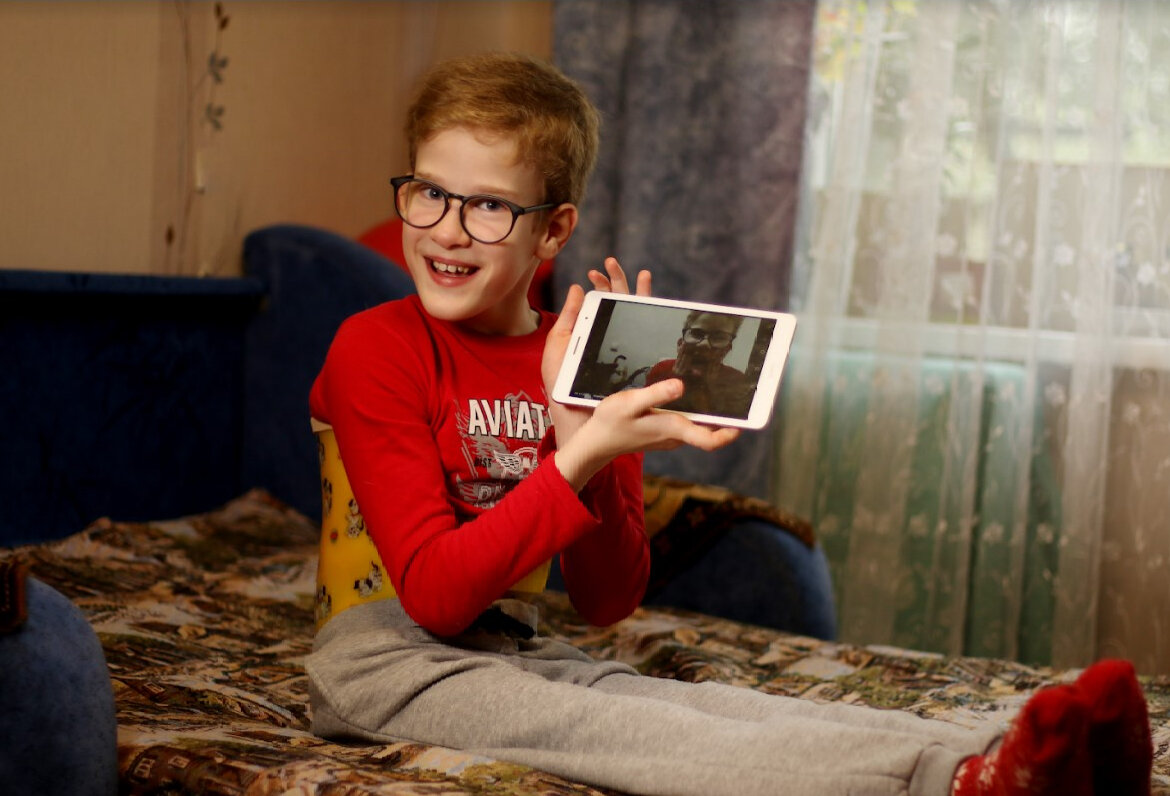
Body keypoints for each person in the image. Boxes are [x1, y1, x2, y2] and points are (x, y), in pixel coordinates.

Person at [304, 52, 1153, 796]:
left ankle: (1018, 746)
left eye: (489, 206)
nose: (447, 231)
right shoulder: (375, 346)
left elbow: (605, 601)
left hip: (513, 646)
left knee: (710, 704)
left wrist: (587, 430)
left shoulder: (573, 356)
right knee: (630, 731)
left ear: (554, 229)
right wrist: (578, 457)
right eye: (430, 193)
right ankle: (956, 782)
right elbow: (434, 596)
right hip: (385, 660)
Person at [646, 310, 753, 417]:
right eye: (697, 333)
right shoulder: (662, 369)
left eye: (719, 337)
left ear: (727, 349)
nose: (705, 344)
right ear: (681, 343)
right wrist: (676, 380)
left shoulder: (737, 381)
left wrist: (710, 388)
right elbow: (648, 414)